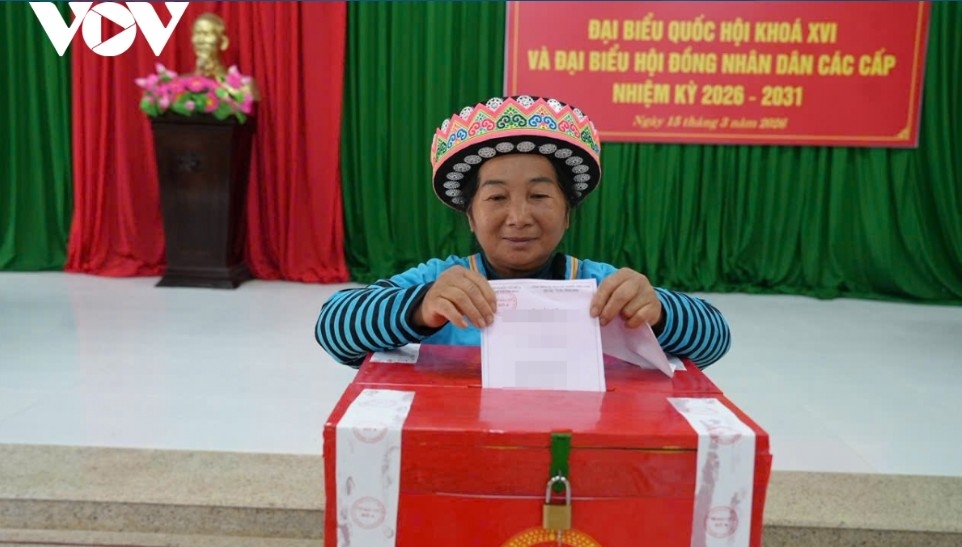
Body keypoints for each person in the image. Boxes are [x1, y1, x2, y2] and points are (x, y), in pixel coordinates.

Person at [316, 96, 731, 370]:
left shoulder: (599, 289)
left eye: (539, 195)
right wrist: (418, 309)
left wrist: (658, 310)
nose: (518, 217)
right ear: (470, 217)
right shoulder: (443, 285)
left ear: (568, 213)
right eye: (496, 199)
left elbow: (715, 340)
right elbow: (332, 327)